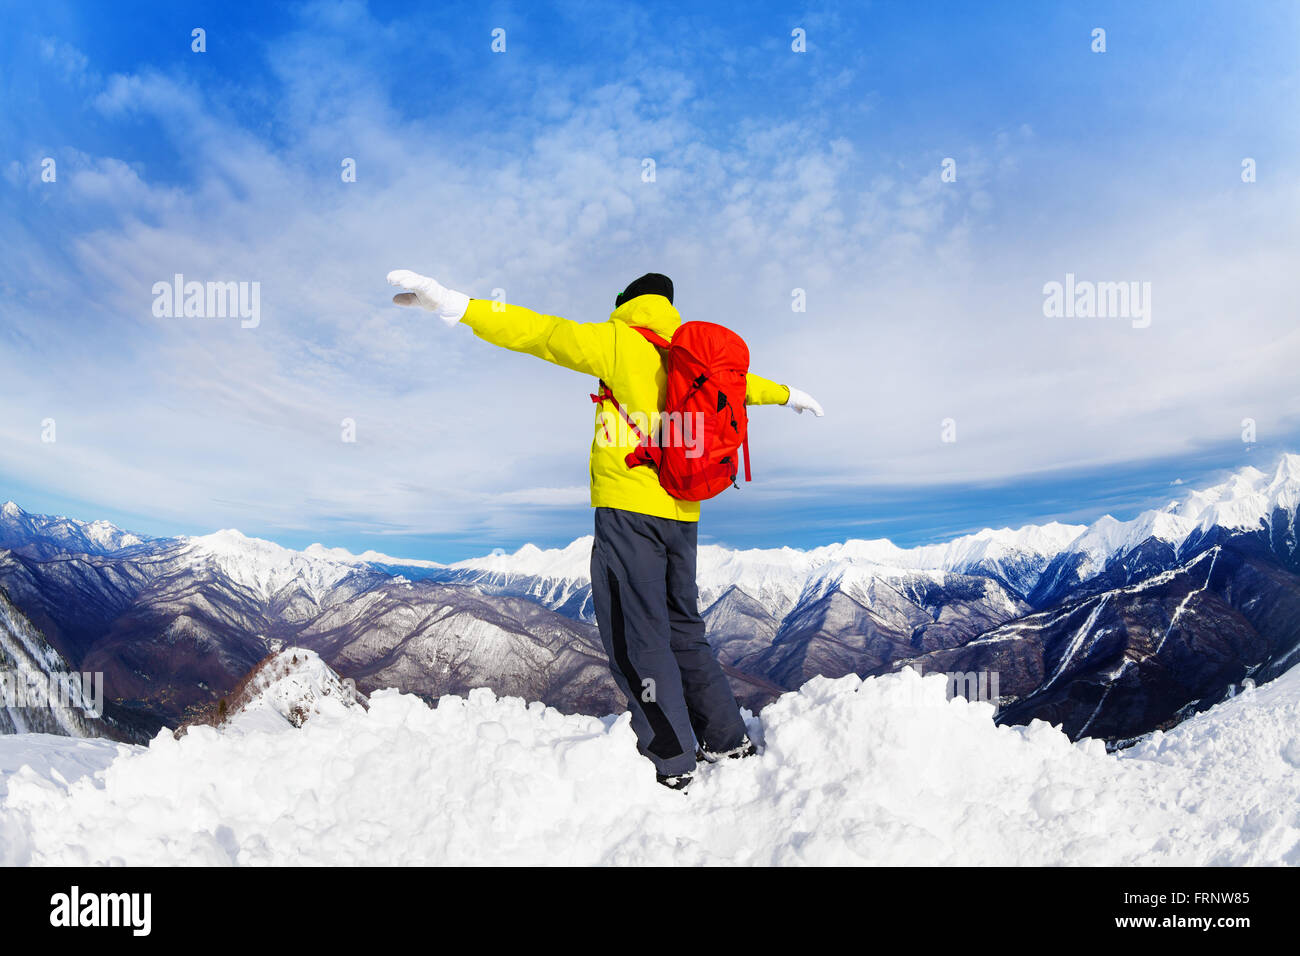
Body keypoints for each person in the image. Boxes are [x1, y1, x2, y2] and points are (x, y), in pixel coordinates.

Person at [388, 269, 824, 789]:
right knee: (685, 630)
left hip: (627, 512)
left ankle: (673, 759)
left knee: (636, 639)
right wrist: (789, 393)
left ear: (627, 302)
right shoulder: (696, 359)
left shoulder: (618, 341)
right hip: (684, 513)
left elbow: (539, 332)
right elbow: (746, 388)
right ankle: (728, 740)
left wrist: (458, 305)